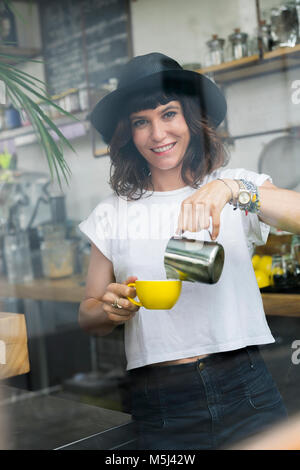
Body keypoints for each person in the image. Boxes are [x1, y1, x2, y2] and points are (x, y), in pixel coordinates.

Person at [78, 53, 300, 450]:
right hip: (163, 403)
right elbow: (89, 315)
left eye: (169, 114)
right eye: (141, 121)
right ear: (128, 134)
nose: (158, 133)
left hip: (245, 389)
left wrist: (231, 190)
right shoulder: (111, 212)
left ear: (191, 119)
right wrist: (108, 308)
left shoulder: (235, 185)